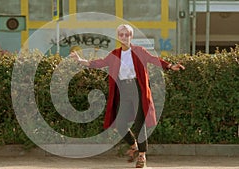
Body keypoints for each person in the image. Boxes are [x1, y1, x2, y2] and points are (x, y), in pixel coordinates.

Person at [70, 24, 185, 168]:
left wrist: (169, 66)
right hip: (123, 90)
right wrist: (81, 60)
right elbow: (99, 63)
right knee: (120, 123)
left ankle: (142, 156)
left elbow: (153, 59)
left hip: (138, 89)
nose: (124, 37)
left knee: (139, 124)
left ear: (131, 36)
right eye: (121, 34)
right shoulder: (115, 54)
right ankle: (134, 145)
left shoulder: (139, 51)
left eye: (127, 34)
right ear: (118, 36)